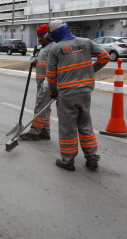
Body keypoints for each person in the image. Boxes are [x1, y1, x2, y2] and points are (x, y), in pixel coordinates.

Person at [46, 20, 110, 171]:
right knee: (85, 124)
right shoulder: (86, 42)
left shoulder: (55, 49)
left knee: (67, 127)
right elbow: (105, 57)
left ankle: (68, 160)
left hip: (67, 93)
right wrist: (89, 71)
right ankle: (92, 156)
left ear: (56, 33)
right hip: (85, 91)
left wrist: (54, 92)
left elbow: (51, 76)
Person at [20, 23, 54, 141]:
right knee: (46, 108)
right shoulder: (43, 49)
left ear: (48, 35)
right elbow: (44, 65)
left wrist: (48, 81)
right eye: (38, 36)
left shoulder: (53, 47)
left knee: (39, 107)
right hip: (42, 83)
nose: (40, 39)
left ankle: (34, 132)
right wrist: (35, 62)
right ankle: (45, 131)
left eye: (42, 36)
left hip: (48, 83)